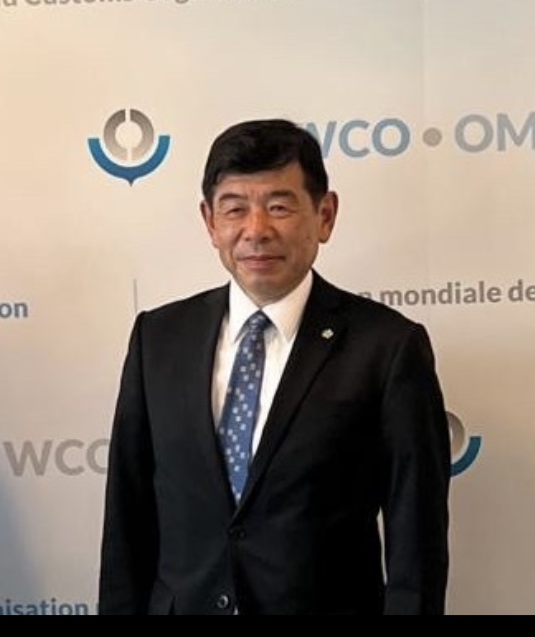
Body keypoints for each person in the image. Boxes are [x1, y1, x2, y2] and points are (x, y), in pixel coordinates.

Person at [98, 119, 450, 615]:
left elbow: (417, 541)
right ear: (209, 222)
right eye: (234, 209)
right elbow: (127, 519)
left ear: (325, 215)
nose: (256, 230)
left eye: (279, 207)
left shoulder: (387, 347)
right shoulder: (158, 339)